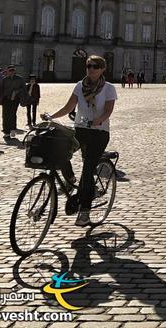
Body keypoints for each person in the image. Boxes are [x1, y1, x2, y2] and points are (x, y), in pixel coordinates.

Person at [43, 54, 118, 227]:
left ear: (102, 69)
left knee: (88, 170)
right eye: (88, 66)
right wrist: (51, 116)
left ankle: (85, 212)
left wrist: (99, 120)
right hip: (80, 130)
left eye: (94, 66)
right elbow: (69, 107)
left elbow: (108, 110)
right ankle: (70, 180)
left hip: (99, 133)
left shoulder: (108, 88)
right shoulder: (80, 86)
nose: (91, 69)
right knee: (59, 153)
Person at [0, 65, 26, 139]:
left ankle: (13, 129)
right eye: (10, 70)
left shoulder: (20, 79)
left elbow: (23, 89)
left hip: (15, 99)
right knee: (5, 115)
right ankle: (6, 131)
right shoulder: (4, 80)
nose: (11, 72)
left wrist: (16, 92)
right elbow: (0, 89)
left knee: (12, 113)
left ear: (15, 71)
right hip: (6, 99)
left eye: (12, 70)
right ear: (7, 71)